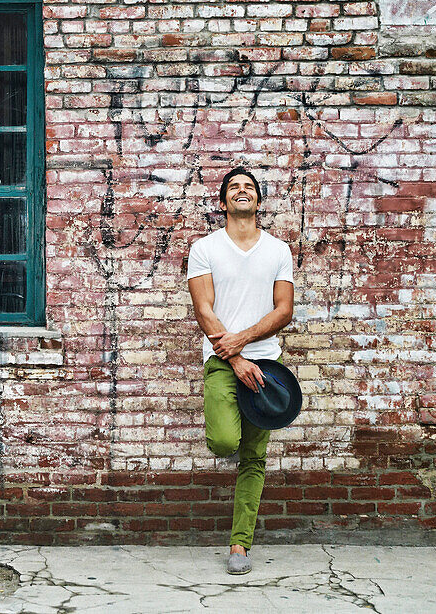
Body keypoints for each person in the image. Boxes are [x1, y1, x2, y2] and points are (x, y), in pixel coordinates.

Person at [186, 167, 294, 575]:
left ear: (259, 201)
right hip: (221, 362)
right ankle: (233, 425)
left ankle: (240, 545)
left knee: (254, 457)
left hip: (267, 365)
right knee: (224, 441)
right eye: (234, 187)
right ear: (223, 202)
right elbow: (203, 309)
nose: (242, 191)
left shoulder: (278, 250)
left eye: (249, 187)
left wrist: (244, 342)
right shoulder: (205, 248)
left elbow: (283, 309)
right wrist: (234, 357)